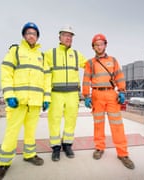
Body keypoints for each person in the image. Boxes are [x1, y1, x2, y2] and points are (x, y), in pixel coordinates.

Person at [0, 22, 51, 179]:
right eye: (28, 33)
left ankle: (29, 154)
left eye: (34, 33)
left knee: (31, 131)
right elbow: (6, 72)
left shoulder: (42, 56)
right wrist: (9, 95)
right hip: (17, 101)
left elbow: (47, 78)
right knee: (12, 132)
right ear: (24, 35)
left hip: (35, 102)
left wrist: (46, 97)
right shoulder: (15, 51)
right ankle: (4, 163)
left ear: (37, 37)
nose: (31, 35)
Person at [82, 34, 135, 169]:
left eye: (101, 44)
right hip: (97, 95)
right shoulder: (90, 63)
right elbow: (86, 80)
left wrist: (122, 91)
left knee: (117, 125)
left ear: (105, 45)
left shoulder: (113, 60)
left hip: (112, 95)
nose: (99, 46)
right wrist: (86, 96)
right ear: (93, 47)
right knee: (98, 124)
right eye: (96, 44)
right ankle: (99, 148)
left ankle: (122, 153)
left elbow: (119, 76)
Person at [44, 25, 87, 161]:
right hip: (56, 93)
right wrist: (45, 95)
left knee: (71, 120)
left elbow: (90, 66)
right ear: (60, 37)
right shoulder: (50, 53)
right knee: (54, 121)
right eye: (65, 35)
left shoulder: (76, 54)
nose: (68, 38)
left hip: (72, 94)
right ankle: (56, 147)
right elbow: (44, 75)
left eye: (70, 36)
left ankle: (67, 145)